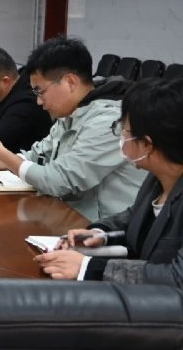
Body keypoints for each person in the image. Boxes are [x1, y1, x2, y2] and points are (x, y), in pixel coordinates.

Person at [0, 36, 144, 221]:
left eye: (41, 91)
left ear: (70, 82)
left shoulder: (109, 121)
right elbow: (37, 155)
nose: (39, 101)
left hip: (101, 227)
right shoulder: (72, 112)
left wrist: (3, 155)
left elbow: (60, 181)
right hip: (67, 216)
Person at [35, 77, 183, 286]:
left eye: (124, 130)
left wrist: (88, 268)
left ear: (147, 145)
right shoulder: (157, 178)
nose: (120, 136)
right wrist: (100, 234)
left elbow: (176, 278)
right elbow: (133, 218)